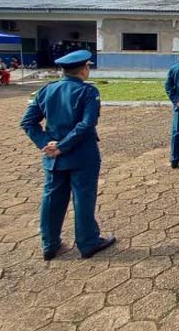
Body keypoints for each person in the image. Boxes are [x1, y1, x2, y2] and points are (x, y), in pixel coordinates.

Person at [20, 50, 115, 260]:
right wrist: (63, 145)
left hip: (53, 157)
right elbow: (87, 124)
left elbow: (27, 122)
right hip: (82, 155)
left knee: (52, 199)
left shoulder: (46, 90)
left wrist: (46, 144)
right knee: (83, 198)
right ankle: (88, 242)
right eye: (88, 66)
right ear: (84, 69)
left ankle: (50, 244)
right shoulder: (88, 92)